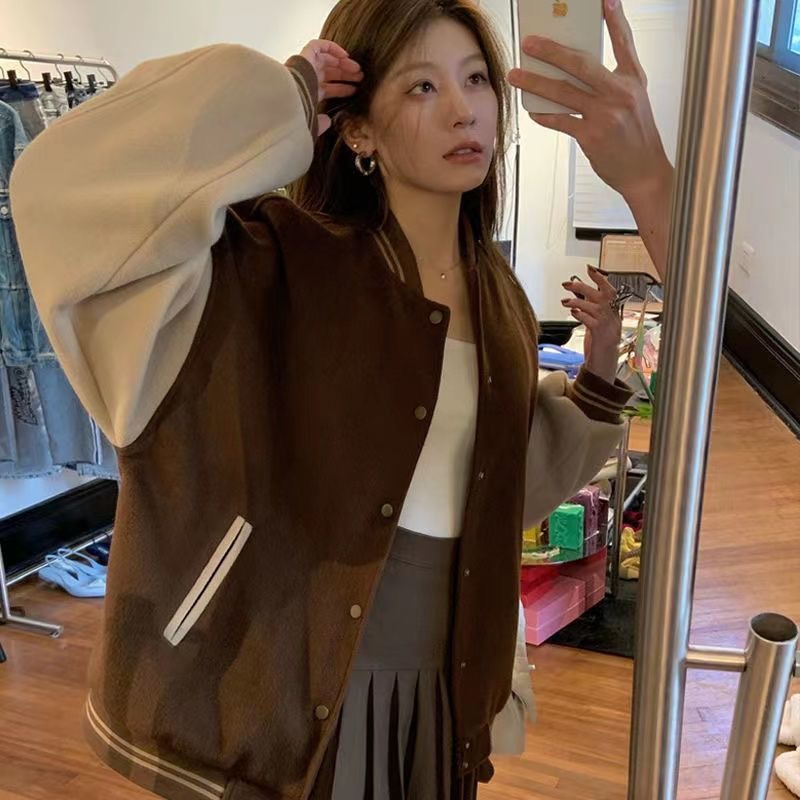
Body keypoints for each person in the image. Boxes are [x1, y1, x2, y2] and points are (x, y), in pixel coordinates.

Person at [10, 0, 672, 797]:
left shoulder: (501, 300)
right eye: (422, 87)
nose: (463, 110)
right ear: (357, 131)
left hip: (445, 685)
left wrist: (597, 375)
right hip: (293, 675)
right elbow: (65, 184)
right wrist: (282, 95)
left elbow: (499, 490)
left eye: (475, 80)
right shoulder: (283, 262)